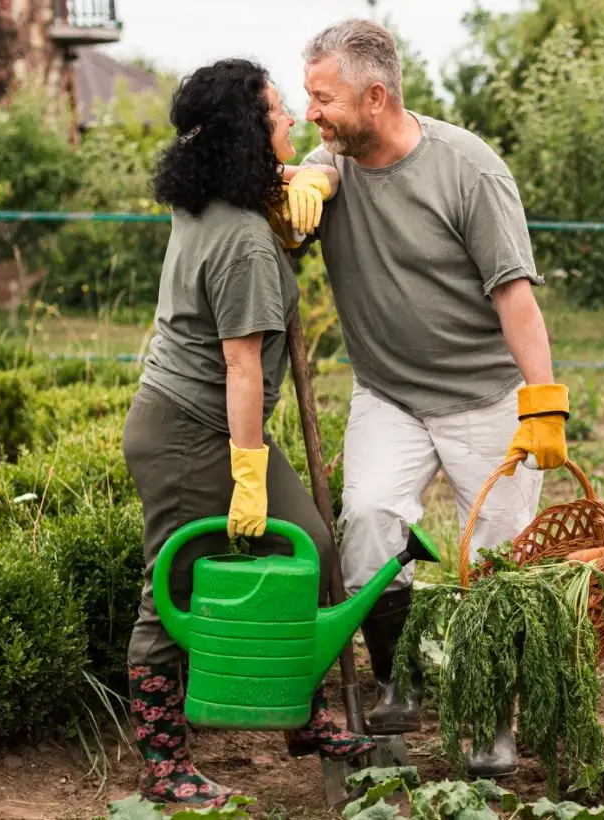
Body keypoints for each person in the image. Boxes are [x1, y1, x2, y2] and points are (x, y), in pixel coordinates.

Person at [278, 18, 573, 778]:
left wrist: (542, 401)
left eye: (323, 96)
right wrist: (299, 184)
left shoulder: (468, 170)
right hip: (391, 395)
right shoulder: (331, 165)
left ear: (375, 97)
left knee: (495, 562)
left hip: (485, 397)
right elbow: (297, 202)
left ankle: (492, 721)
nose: (312, 111)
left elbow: (515, 297)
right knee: (369, 522)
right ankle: (397, 681)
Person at [121, 57, 375, 808]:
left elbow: (278, 201)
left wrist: (298, 188)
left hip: (205, 422)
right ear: (246, 131)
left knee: (315, 542)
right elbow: (242, 369)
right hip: (191, 430)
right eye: (276, 112)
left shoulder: (211, 205)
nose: (292, 118)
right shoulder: (242, 243)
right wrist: (247, 474)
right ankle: (164, 764)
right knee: (173, 582)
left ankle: (301, 715)